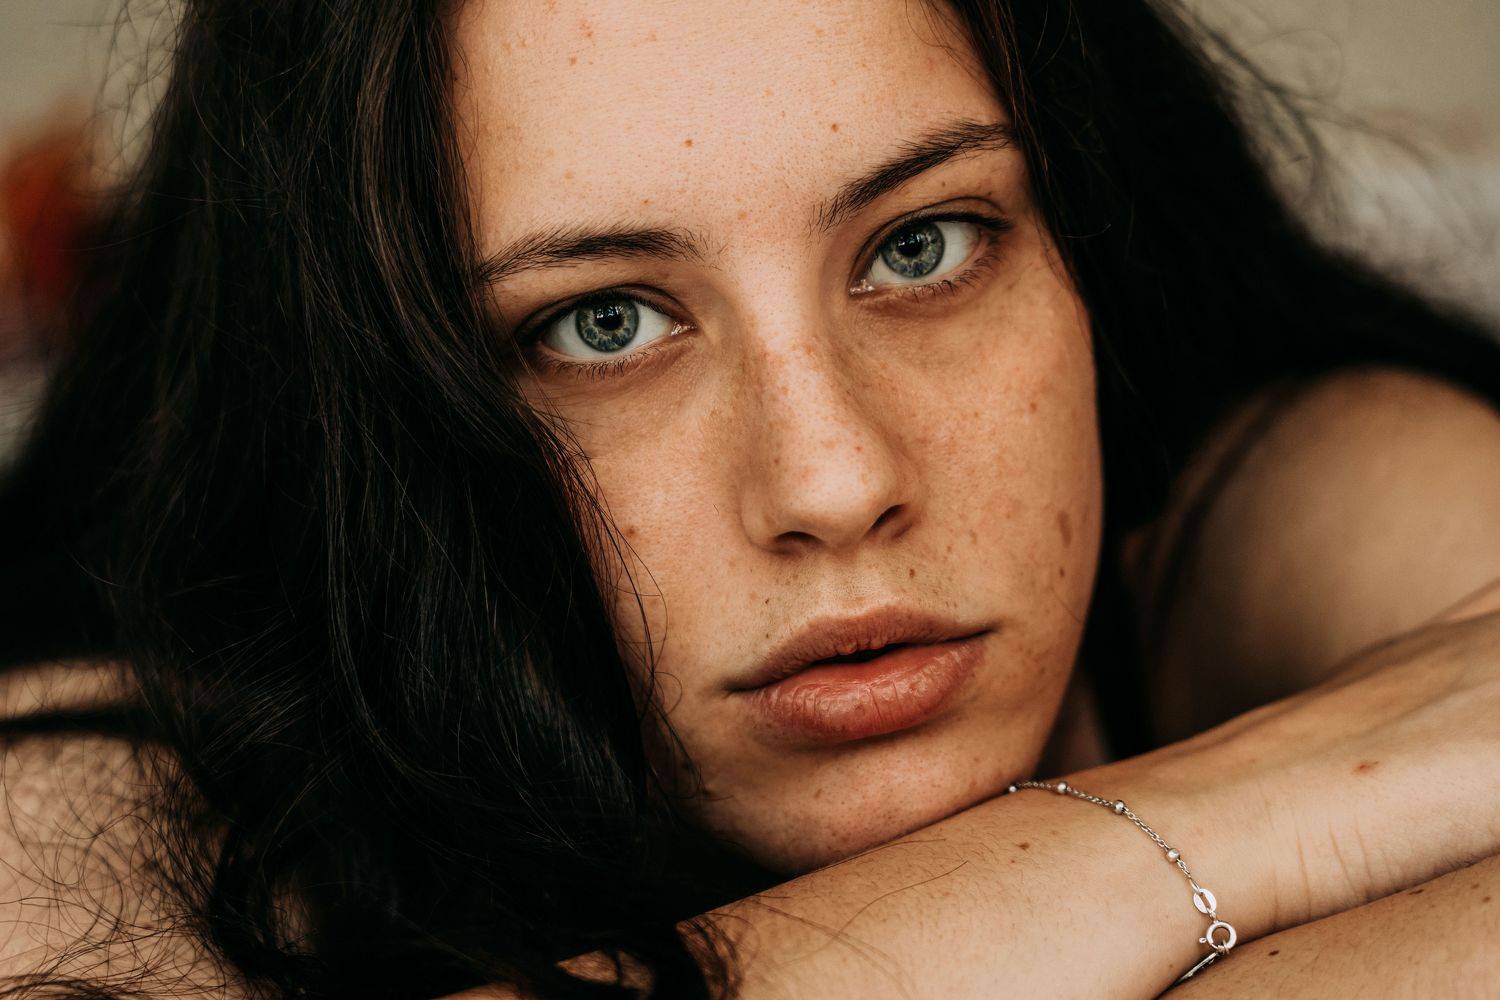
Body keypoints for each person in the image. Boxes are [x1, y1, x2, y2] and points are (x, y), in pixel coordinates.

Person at [1, 1, 1498, 997]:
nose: (835, 481)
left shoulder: (1284, 484)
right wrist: (1246, 808)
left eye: (921, 245)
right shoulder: (94, 782)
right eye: (603, 324)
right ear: (363, 421)